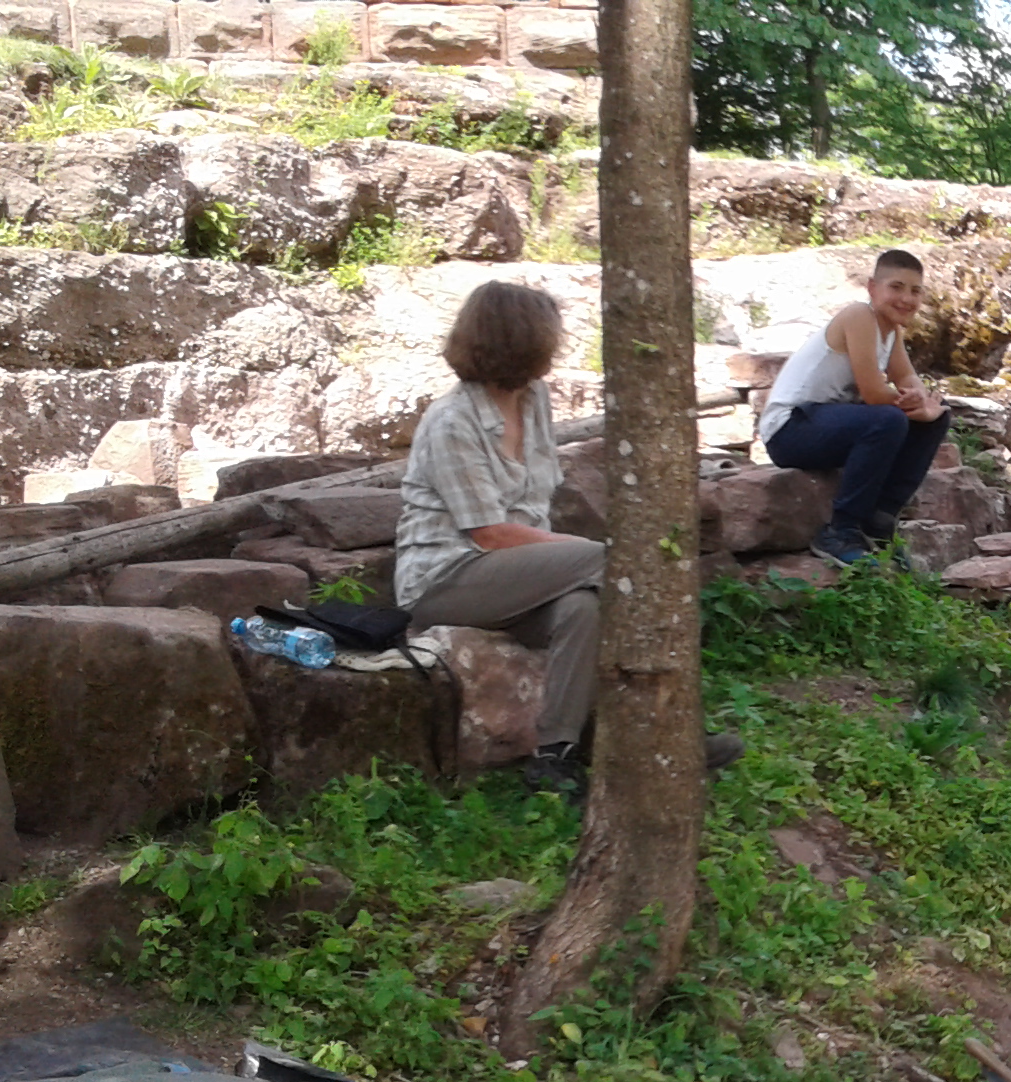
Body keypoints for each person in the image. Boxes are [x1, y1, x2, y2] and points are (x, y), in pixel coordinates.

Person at [394, 281, 739, 794]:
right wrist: (600, 554)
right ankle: (668, 729)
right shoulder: (452, 421)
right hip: (447, 577)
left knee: (583, 610)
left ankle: (556, 754)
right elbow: (489, 533)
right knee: (619, 564)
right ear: (522, 340)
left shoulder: (533, 400)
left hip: (513, 576)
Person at [759, 248, 952, 567]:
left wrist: (923, 401)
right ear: (872, 288)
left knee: (935, 419)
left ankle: (878, 522)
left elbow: (906, 377)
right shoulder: (859, 316)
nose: (906, 299)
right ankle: (840, 531)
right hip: (790, 430)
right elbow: (874, 393)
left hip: (829, 426)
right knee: (887, 419)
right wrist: (915, 402)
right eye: (896, 287)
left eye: (915, 291)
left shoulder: (891, 332)